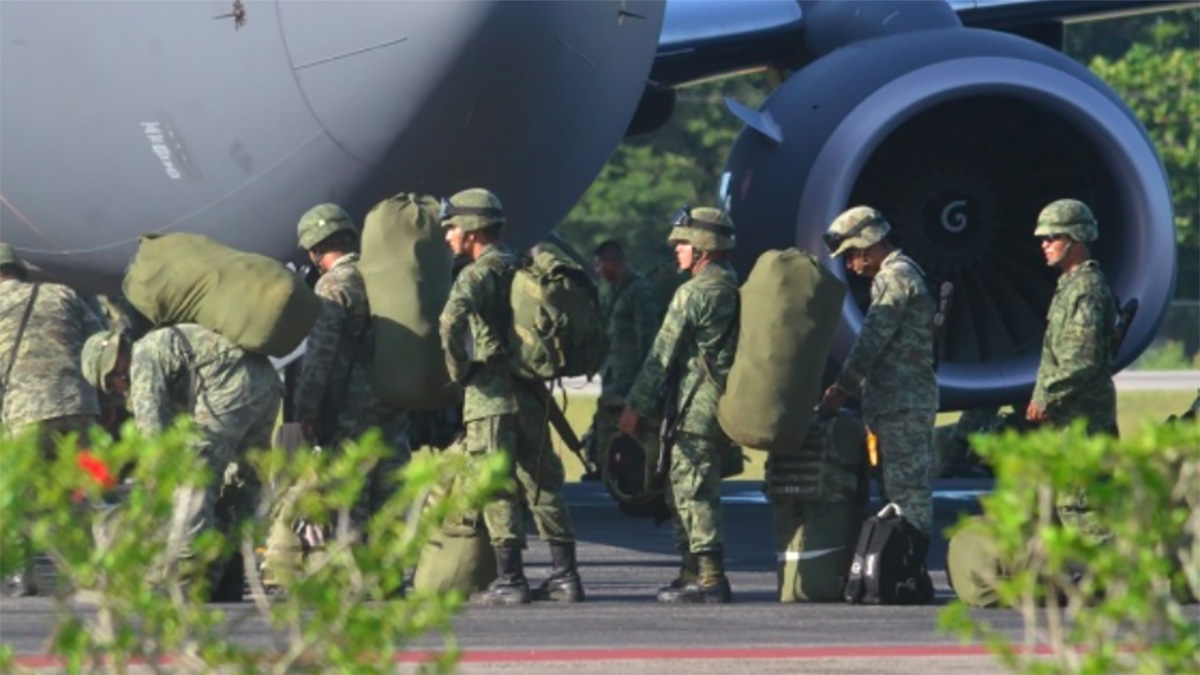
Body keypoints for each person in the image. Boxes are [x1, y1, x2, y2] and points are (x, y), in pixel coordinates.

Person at [438, 187, 583, 605]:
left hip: (490, 396)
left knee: (495, 483)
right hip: (531, 393)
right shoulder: (522, 264)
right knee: (543, 483)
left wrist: (460, 370)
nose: (448, 237)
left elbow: (450, 321)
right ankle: (566, 577)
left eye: (452, 228)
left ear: (471, 229)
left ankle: (511, 580)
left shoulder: (475, 274)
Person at [81, 324, 282, 596]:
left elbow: (154, 438)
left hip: (229, 387)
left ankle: (188, 579)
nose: (118, 389)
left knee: (193, 481)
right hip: (265, 383)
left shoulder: (142, 359)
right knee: (241, 484)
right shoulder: (157, 345)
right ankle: (231, 572)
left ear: (113, 367)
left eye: (111, 384)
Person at [618, 205, 740, 604]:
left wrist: (635, 405)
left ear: (704, 247)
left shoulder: (693, 293)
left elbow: (662, 353)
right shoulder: (728, 284)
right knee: (682, 489)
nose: (677, 251)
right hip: (710, 402)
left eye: (684, 243)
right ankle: (691, 572)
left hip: (695, 405)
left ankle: (710, 579)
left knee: (694, 491)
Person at [818, 206, 937, 562]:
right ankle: (900, 567)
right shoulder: (906, 273)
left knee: (906, 493)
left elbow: (871, 341)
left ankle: (909, 567)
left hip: (902, 403)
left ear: (869, 246)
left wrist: (842, 389)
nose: (852, 265)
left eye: (853, 256)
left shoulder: (894, 278)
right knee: (896, 491)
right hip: (896, 401)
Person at [293, 203, 411, 526]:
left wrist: (307, 410)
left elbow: (320, 355)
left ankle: (354, 570)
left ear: (316, 249)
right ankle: (389, 572)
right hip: (393, 397)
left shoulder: (334, 285)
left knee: (350, 498)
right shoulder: (384, 274)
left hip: (351, 408)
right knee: (390, 489)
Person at [0, 242, 105, 596]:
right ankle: (88, 572)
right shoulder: (63, 294)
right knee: (80, 491)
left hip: (23, 412)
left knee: (18, 493)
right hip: (78, 406)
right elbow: (101, 343)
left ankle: (21, 575)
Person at [1026, 199, 1118, 437]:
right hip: (1067, 420)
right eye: (1042, 239)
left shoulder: (1086, 287)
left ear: (1075, 237)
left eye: (1052, 237)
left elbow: (1081, 359)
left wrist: (1045, 395)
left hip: (1085, 424)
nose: (1044, 245)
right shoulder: (1069, 284)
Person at [587, 240, 660, 477]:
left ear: (611, 262)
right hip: (614, 375)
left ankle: (619, 470)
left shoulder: (639, 292)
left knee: (620, 425)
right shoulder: (617, 291)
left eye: (600, 265)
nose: (598, 271)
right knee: (606, 422)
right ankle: (604, 466)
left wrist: (644, 382)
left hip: (630, 379)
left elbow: (647, 338)